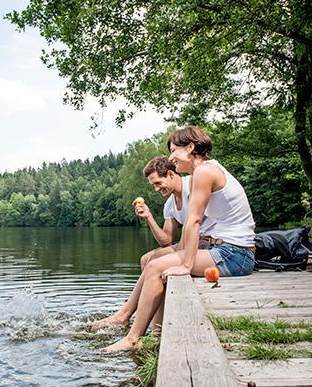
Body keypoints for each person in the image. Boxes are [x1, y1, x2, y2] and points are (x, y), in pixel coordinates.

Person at [104, 125, 256, 351]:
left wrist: (186, 263)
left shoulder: (205, 172)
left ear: (191, 147)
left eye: (174, 150)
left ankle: (132, 338)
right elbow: (187, 228)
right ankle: (154, 334)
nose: (171, 157)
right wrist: (182, 255)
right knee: (154, 264)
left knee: (155, 267)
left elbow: (194, 221)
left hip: (236, 254)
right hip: (226, 250)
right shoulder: (199, 175)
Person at [92, 156, 214, 330]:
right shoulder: (170, 204)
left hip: (207, 242)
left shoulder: (193, 186)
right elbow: (166, 240)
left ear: (171, 174)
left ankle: (125, 315)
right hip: (189, 243)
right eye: (153, 185)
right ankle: (155, 324)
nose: (157, 189)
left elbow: (195, 223)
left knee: (153, 262)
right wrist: (148, 217)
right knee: (145, 259)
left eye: (158, 183)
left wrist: (180, 252)